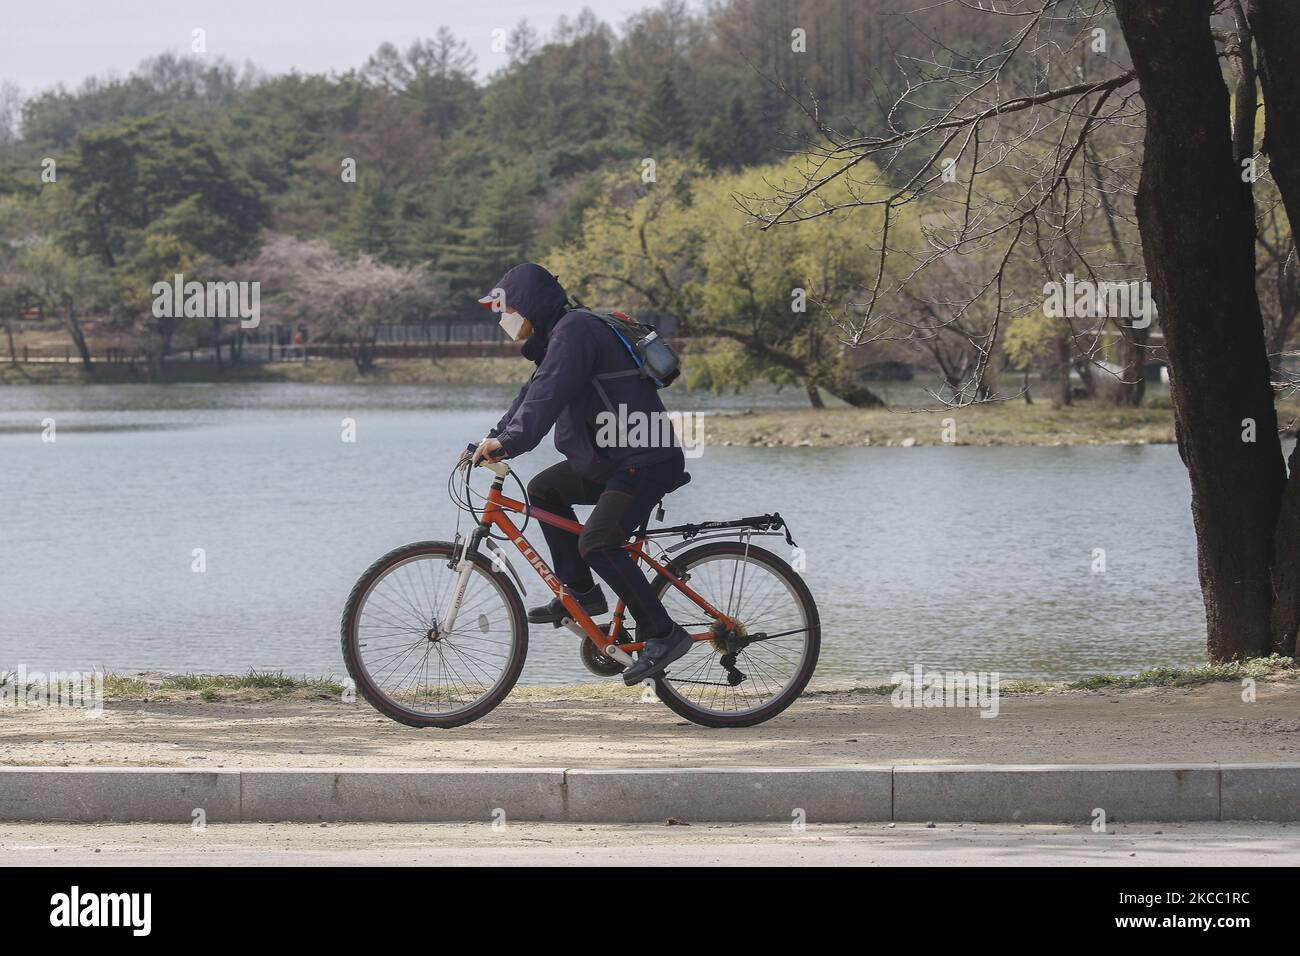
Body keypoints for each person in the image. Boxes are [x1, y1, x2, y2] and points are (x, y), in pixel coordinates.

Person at [466, 262, 692, 685]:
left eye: (506, 311)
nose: (503, 320)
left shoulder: (575, 332)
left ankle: (664, 633)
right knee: (545, 489)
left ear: (528, 305)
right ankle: (583, 593)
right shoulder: (560, 335)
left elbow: (548, 395)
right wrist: (490, 438)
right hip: (612, 459)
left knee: (598, 541)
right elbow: (532, 393)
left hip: (644, 460)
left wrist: (512, 442)